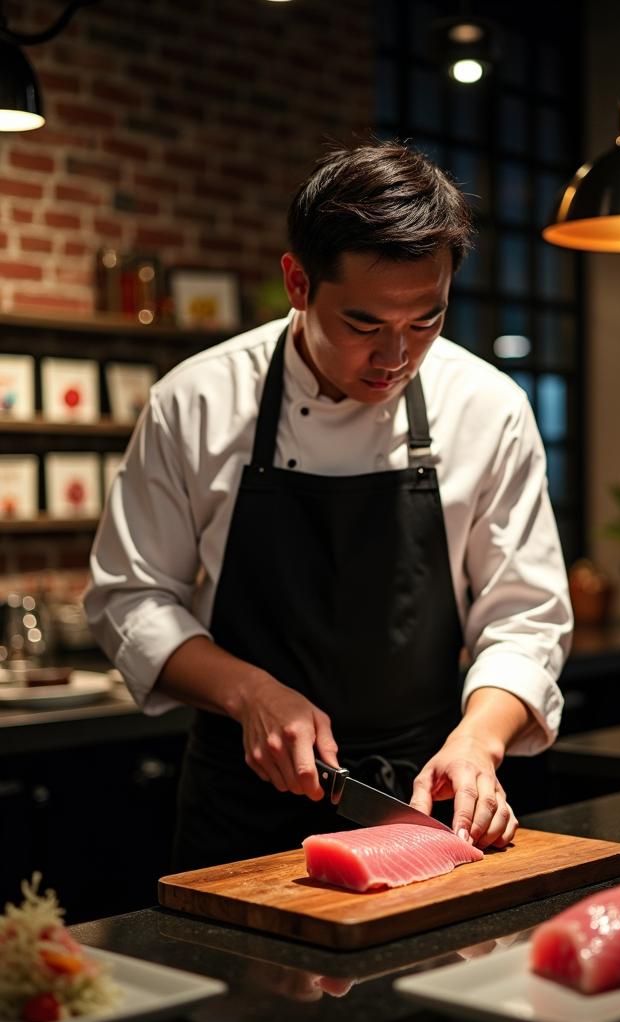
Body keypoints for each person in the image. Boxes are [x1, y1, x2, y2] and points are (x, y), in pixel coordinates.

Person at [84, 141, 573, 871]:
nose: (395, 358)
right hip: (238, 804)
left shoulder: (487, 407)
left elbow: (525, 615)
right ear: (298, 282)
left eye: (426, 321)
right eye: (365, 324)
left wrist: (479, 739)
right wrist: (249, 692)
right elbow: (131, 597)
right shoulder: (197, 401)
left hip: (423, 800)